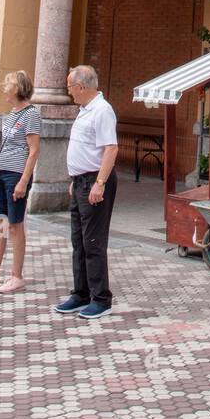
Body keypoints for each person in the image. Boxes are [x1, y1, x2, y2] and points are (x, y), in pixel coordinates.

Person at [54, 65, 118, 320]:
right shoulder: (84, 110)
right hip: (81, 181)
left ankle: (101, 299)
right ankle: (81, 293)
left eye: (70, 87)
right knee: (78, 240)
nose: (69, 93)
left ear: (81, 87)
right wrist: (76, 178)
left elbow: (111, 148)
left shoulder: (102, 111)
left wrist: (99, 183)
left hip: (95, 181)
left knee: (93, 241)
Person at [0, 70, 41, 294]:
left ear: (18, 89)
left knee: (15, 224)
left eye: (8, 84)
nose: (4, 88)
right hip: (2, 174)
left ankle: (16, 275)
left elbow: (33, 151)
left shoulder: (31, 114)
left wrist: (23, 181)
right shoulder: (10, 115)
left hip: (16, 175)